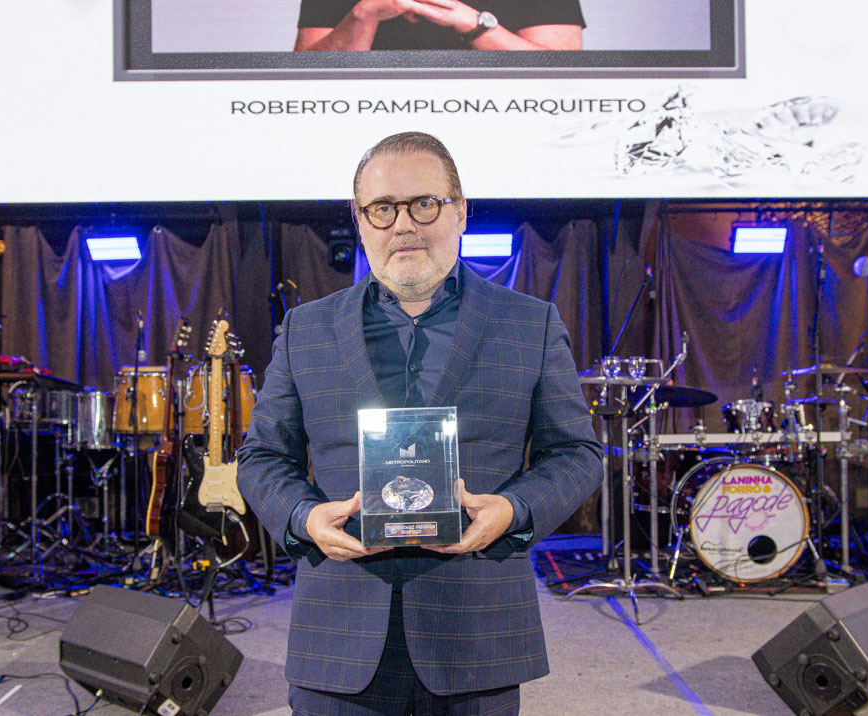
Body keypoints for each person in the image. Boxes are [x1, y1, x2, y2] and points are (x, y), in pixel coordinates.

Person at [236, 131, 602, 715]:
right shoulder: (306, 329)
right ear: (360, 221)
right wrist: (304, 518)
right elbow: (261, 457)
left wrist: (514, 510)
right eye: (382, 208)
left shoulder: (528, 324)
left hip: (477, 634)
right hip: (339, 634)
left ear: (461, 211)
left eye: (424, 204)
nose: (403, 224)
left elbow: (577, 454)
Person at [295, 0, 585, 51]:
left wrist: (474, 24)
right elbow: (303, 86)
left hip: (505, 127)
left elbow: (566, 78)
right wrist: (363, 15)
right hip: (366, 127)